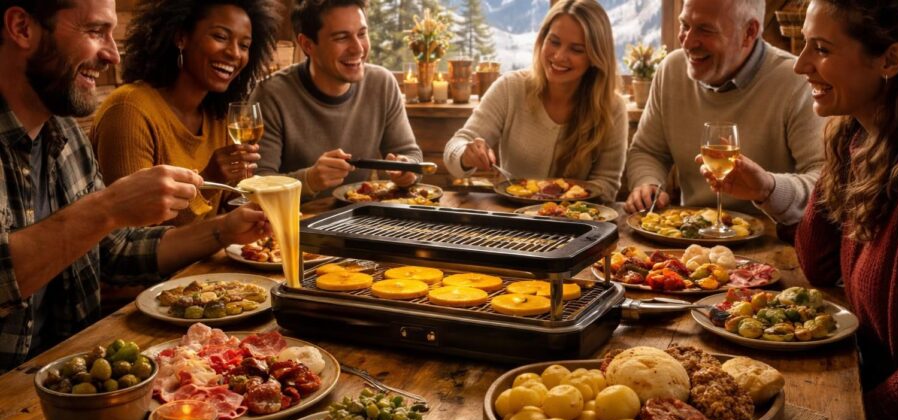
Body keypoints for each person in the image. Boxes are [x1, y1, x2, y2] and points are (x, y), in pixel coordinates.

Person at [0, 0, 269, 372]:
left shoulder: (64, 135)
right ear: (21, 28)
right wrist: (108, 207)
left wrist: (225, 229)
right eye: (95, 31)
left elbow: (116, 252)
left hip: (72, 371)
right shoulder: (129, 108)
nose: (112, 54)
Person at [793, 1, 898, 420]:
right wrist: (844, 143)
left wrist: (846, 416)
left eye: (822, 49)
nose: (800, 65)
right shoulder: (864, 141)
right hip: (862, 383)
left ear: (891, 59)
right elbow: (817, 264)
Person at [624, 0, 825, 225]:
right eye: (684, 25)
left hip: (775, 240)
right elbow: (647, 151)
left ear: (749, 32)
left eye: (705, 29)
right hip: (690, 237)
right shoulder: (670, 70)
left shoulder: (796, 82)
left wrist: (768, 188)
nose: (688, 42)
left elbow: (825, 182)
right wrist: (648, 183)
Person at [92, 0, 279, 226]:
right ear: (181, 37)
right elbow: (135, 237)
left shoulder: (219, 116)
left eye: (245, 45)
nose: (234, 53)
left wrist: (256, 202)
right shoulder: (129, 110)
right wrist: (208, 181)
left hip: (211, 261)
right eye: (220, 37)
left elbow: (231, 205)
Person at [443, 0, 628, 205]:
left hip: (578, 225)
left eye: (576, 49)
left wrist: (565, 205)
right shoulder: (510, 88)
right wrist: (466, 155)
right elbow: (454, 149)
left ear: (595, 56)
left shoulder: (613, 108)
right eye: (554, 42)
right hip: (511, 221)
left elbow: (607, 186)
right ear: (542, 39)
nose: (559, 56)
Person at [250, 0, 422, 200]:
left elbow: (411, 156)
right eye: (341, 38)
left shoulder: (382, 84)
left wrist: (407, 172)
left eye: (362, 34)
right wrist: (309, 180)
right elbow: (257, 184)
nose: (358, 48)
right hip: (293, 225)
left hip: (359, 219)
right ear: (307, 45)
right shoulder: (270, 94)